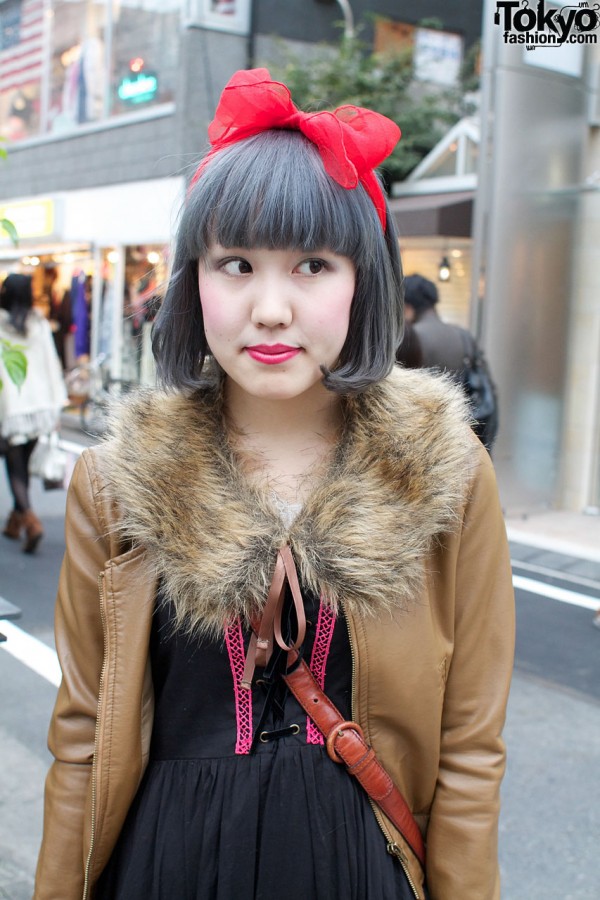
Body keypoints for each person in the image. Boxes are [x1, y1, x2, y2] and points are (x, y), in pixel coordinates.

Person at [34, 69, 515, 900]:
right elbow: (82, 738)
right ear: (194, 280)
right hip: (165, 867)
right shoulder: (115, 484)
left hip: (363, 869)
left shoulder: (447, 471)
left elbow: (471, 749)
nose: (269, 307)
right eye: (235, 263)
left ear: (364, 279)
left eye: (313, 266)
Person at [0, 273, 67, 552]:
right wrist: (57, 405)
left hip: (11, 407)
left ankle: (30, 521)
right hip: (39, 407)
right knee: (22, 466)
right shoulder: (38, 324)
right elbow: (51, 364)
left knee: (15, 468)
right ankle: (15, 521)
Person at [404, 274, 499, 451]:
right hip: (461, 434)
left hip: (421, 437)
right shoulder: (463, 336)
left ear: (408, 307)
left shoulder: (409, 340)